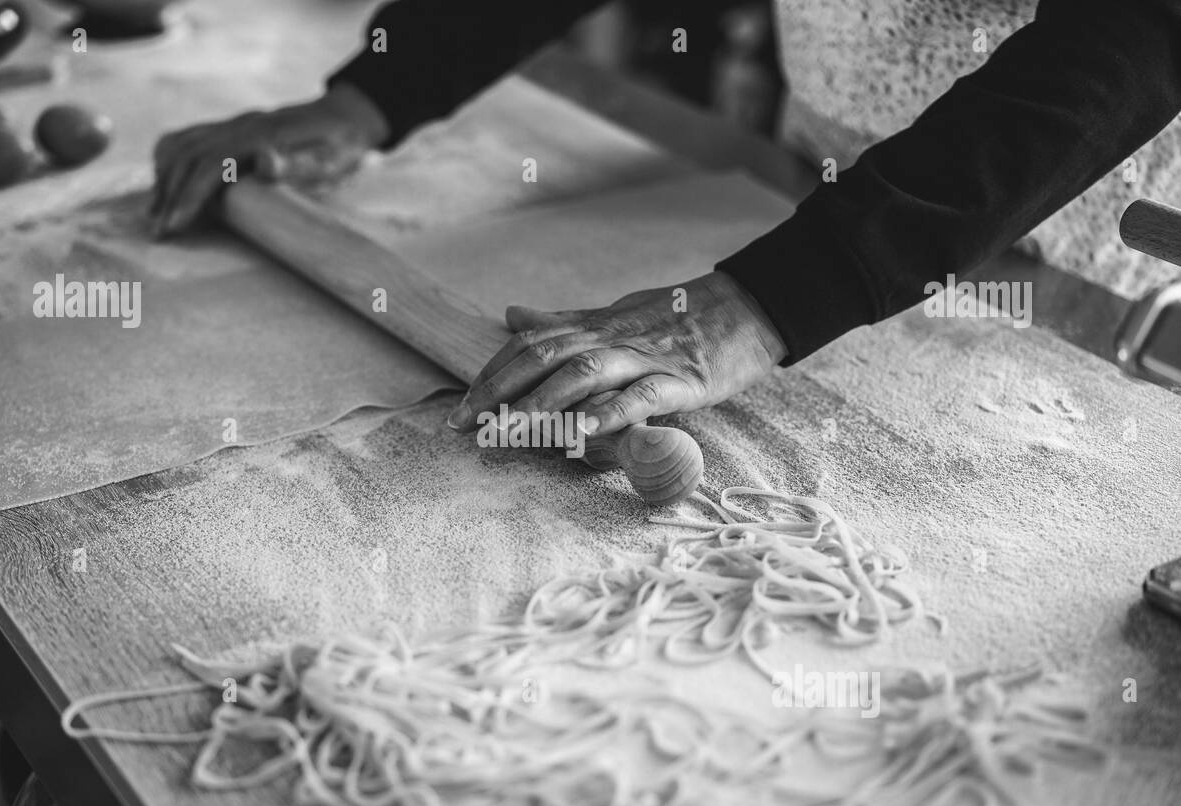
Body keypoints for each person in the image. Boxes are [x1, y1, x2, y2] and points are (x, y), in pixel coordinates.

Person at [151, 0, 1181, 439]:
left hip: (1078, 263)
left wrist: (764, 303)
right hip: (815, 181)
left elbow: (1135, 29)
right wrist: (377, 90)